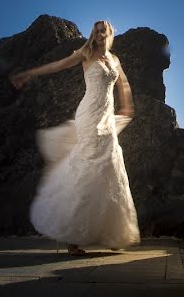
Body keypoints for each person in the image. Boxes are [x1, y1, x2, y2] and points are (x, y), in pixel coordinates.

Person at [9, 20, 140, 255]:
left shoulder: (114, 59)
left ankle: (111, 233)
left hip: (107, 117)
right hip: (89, 115)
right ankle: (73, 238)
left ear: (110, 33)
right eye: (96, 30)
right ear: (93, 34)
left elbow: (123, 83)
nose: (99, 33)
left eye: (104, 30)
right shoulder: (85, 53)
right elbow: (58, 65)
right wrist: (30, 73)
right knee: (88, 164)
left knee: (110, 165)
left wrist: (127, 106)